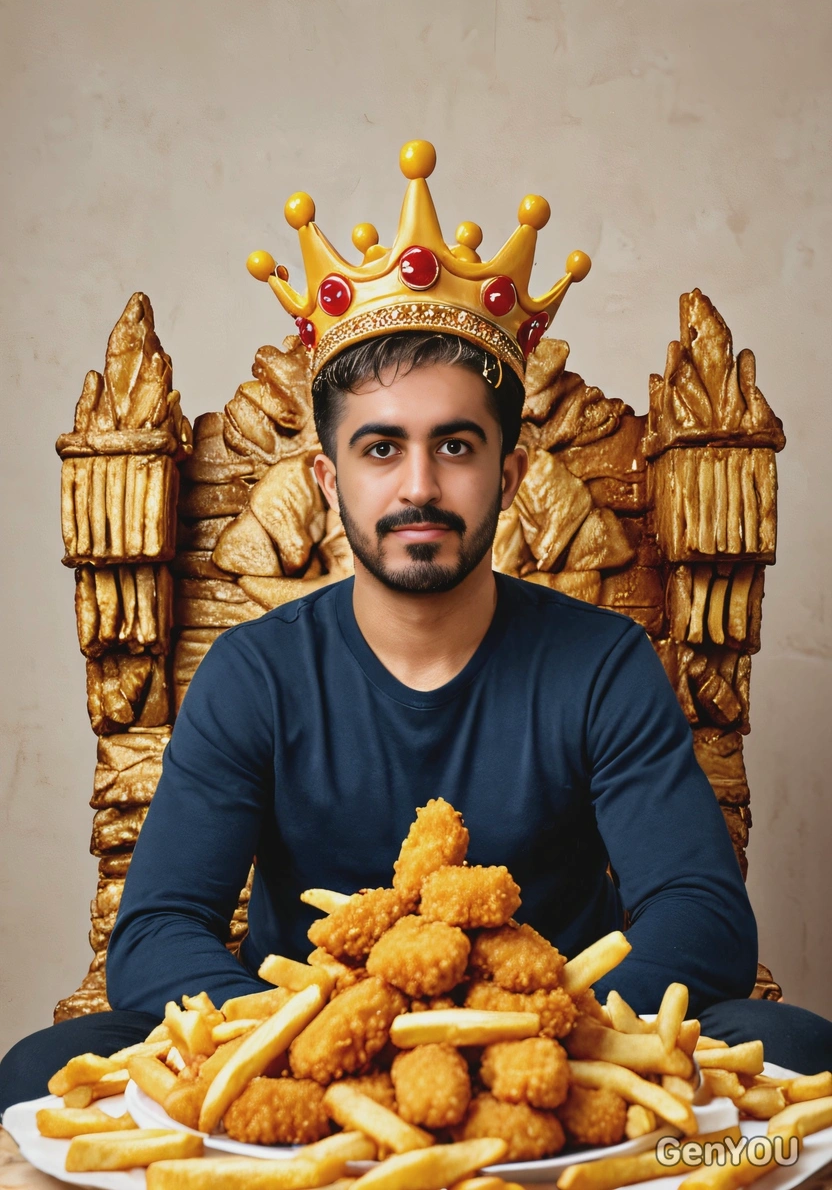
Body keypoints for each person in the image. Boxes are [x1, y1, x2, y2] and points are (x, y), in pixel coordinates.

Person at [2, 142, 830, 1114]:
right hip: (307, 1058)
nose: (420, 485)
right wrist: (323, 1047)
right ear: (328, 480)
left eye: (456, 446)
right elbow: (158, 930)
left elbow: (701, 916)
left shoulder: (602, 663)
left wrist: (517, 1039)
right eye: (381, 448)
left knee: (802, 1046)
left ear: (509, 476)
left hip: (553, 1056)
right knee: (36, 1072)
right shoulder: (254, 672)